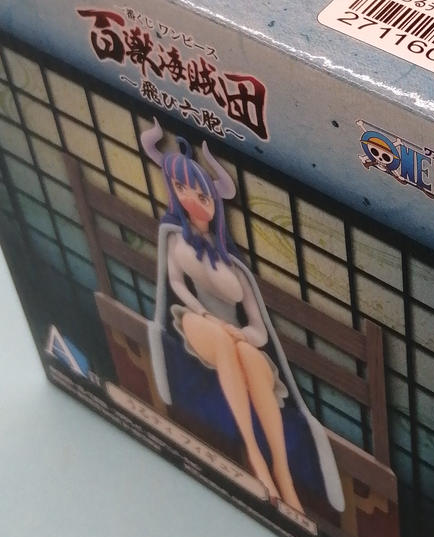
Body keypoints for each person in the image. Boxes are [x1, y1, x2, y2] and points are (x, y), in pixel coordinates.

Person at [140, 125, 344, 517]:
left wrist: (241, 335)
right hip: (195, 323)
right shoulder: (175, 237)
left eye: (202, 195)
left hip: (236, 339)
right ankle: (254, 454)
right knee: (221, 339)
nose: (192, 200)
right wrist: (203, 314)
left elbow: (258, 328)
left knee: (247, 354)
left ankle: (281, 472)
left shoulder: (233, 265)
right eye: (182, 189)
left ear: (215, 202)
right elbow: (176, 285)